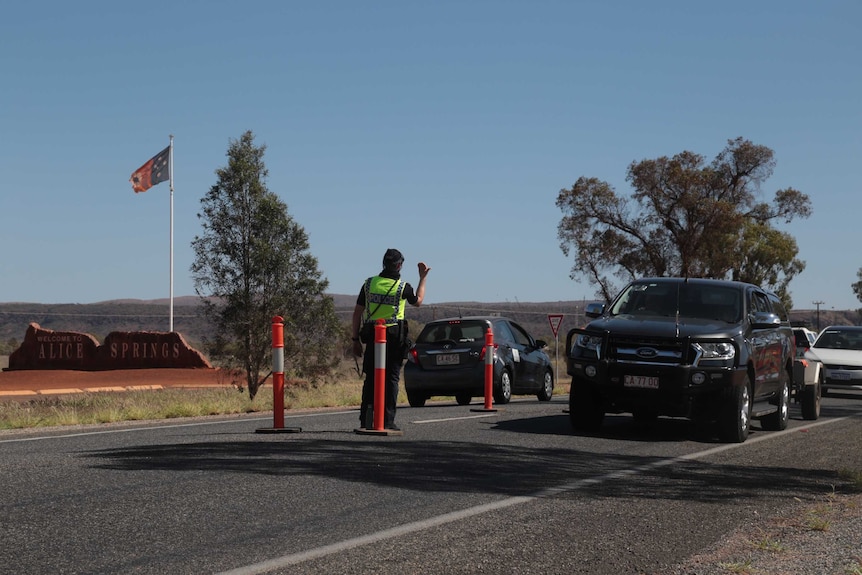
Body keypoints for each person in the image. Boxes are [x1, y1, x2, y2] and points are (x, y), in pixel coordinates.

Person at [352, 248, 430, 430]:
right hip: (395, 338)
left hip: (372, 336)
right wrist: (423, 278)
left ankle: (366, 419)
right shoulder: (403, 287)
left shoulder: (369, 284)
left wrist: (355, 340)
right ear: (399, 265)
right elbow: (418, 301)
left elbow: (357, 313)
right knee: (391, 379)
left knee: (371, 378)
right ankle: (387, 421)